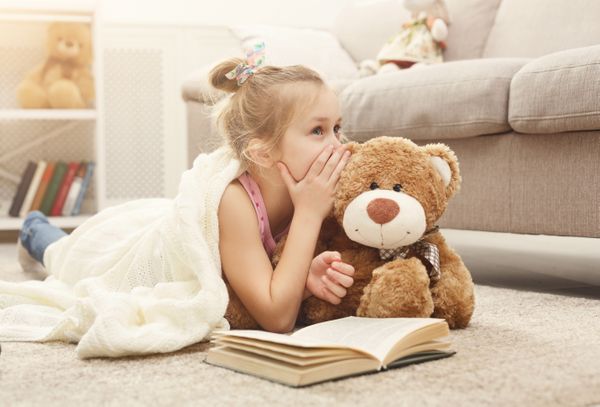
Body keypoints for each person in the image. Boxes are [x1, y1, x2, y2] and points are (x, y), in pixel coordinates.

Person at [16, 43, 355, 335]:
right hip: (143, 251)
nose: (338, 144)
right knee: (71, 259)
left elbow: (277, 279)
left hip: (156, 219)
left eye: (337, 128)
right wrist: (309, 214)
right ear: (262, 153)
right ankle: (35, 230)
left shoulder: (313, 186)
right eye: (317, 131)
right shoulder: (236, 202)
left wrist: (304, 284)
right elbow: (277, 317)